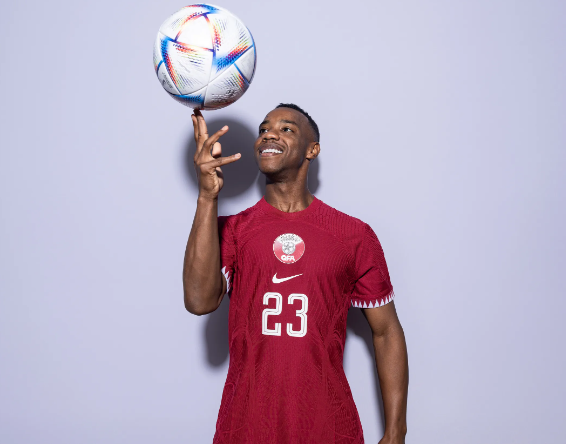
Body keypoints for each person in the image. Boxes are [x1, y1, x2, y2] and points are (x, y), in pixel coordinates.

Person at [183, 104, 409, 444]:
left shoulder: (353, 235)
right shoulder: (233, 230)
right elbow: (198, 302)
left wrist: (396, 431)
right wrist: (206, 196)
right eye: (263, 130)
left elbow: (387, 331)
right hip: (246, 428)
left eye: (286, 129)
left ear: (311, 149)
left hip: (327, 428)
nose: (269, 135)